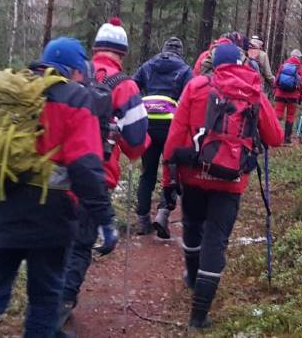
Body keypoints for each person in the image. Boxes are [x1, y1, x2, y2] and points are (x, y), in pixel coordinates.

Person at [0, 38, 117, 338]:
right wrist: (104, 218)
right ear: (75, 71)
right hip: (48, 220)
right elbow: (85, 167)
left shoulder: (3, 94)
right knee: (45, 301)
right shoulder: (75, 97)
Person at [161, 43, 284, 330]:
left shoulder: (196, 86)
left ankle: (193, 278)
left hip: (194, 173)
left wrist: (168, 180)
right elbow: (276, 138)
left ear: (214, 64)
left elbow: (175, 135)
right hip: (231, 180)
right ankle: (198, 316)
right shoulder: (252, 91)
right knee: (215, 241)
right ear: (240, 63)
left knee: (192, 226)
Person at [59, 18, 149, 326]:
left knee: (54, 241)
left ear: (96, 47)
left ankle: (44, 301)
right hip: (96, 176)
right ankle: (59, 308)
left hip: (55, 173)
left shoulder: (72, 72)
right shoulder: (125, 85)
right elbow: (136, 142)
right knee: (81, 244)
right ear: (122, 53)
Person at [133, 37, 193, 238]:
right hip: (171, 126)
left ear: (163, 49)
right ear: (180, 52)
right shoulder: (184, 69)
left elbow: (132, 87)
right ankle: (163, 213)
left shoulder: (148, 66)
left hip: (148, 124)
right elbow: (191, 96)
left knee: (147, 172)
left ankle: (142, 219)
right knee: (172, 171)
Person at [273, 49, 302, 144]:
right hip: (293, 96)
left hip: (280, 94)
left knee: (277, 115)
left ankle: (275, 137)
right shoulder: (299, 67)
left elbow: (276, 80)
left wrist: (276, 89)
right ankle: (287, 139)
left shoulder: (284, 65)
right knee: (290, 116)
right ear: (299, 57)